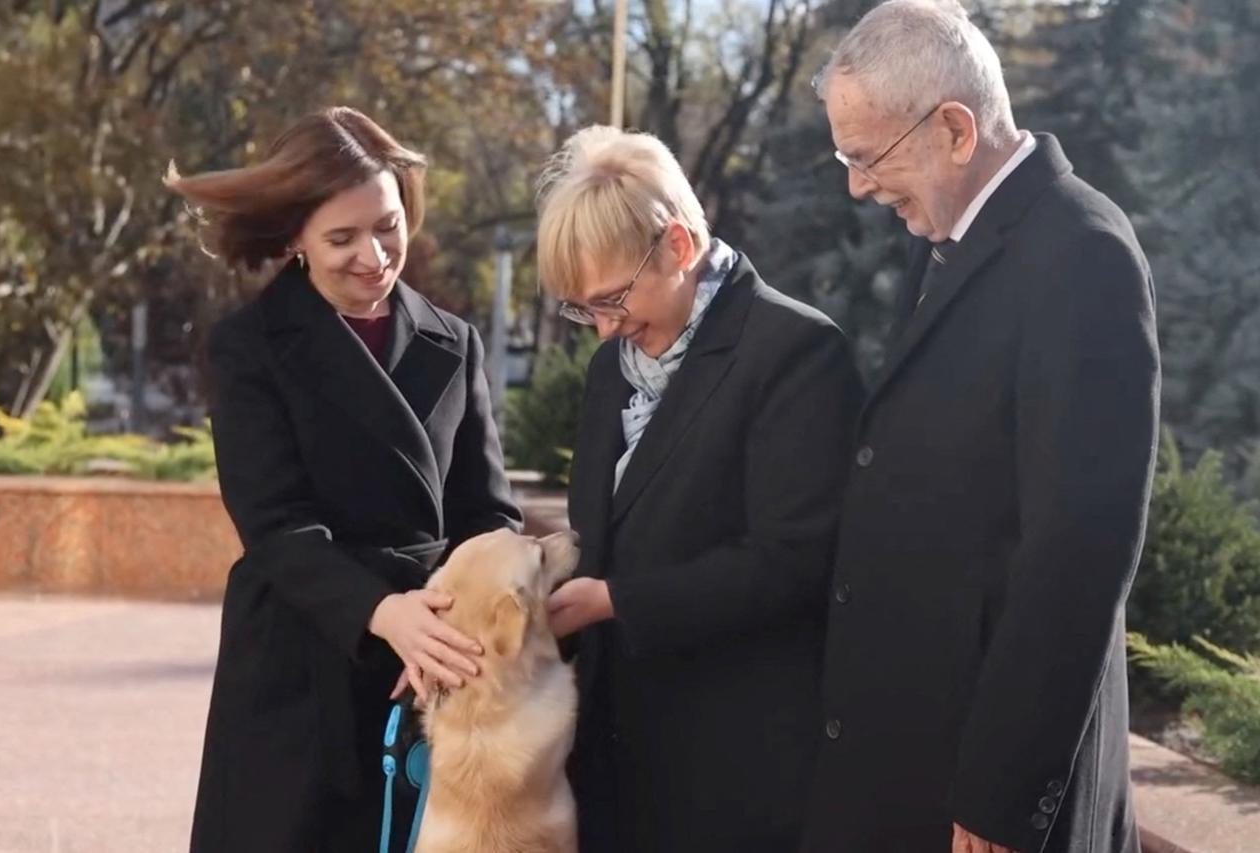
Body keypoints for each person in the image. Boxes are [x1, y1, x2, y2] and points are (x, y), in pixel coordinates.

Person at [803, 3, 1159, 852]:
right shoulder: (949, 231)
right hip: (910, 753)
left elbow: (1078, 552)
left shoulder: (1083, 253)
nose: (857, 185)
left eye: (868, 156)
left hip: (981, 795)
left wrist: (1004, 793)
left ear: (957, 130)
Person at [166, 106, 522, 853]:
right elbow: (274, 523)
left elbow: (489, 515)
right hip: (300, 667)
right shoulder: (248, 347)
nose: (374, 254)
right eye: (342, 237)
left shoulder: (454, 343)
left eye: (388, 225)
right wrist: (383, 612)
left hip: (431, 667)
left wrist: (452, 625)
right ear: (294, 237)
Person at [536, 124, 865, 853]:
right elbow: (607, 530)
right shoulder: (611, 369)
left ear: (679, 247)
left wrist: (617, 600)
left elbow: (794, 561)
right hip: (614, 766)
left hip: (732, 776)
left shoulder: (796, 353)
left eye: (613, 298)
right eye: (584, 308)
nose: (603, 329)